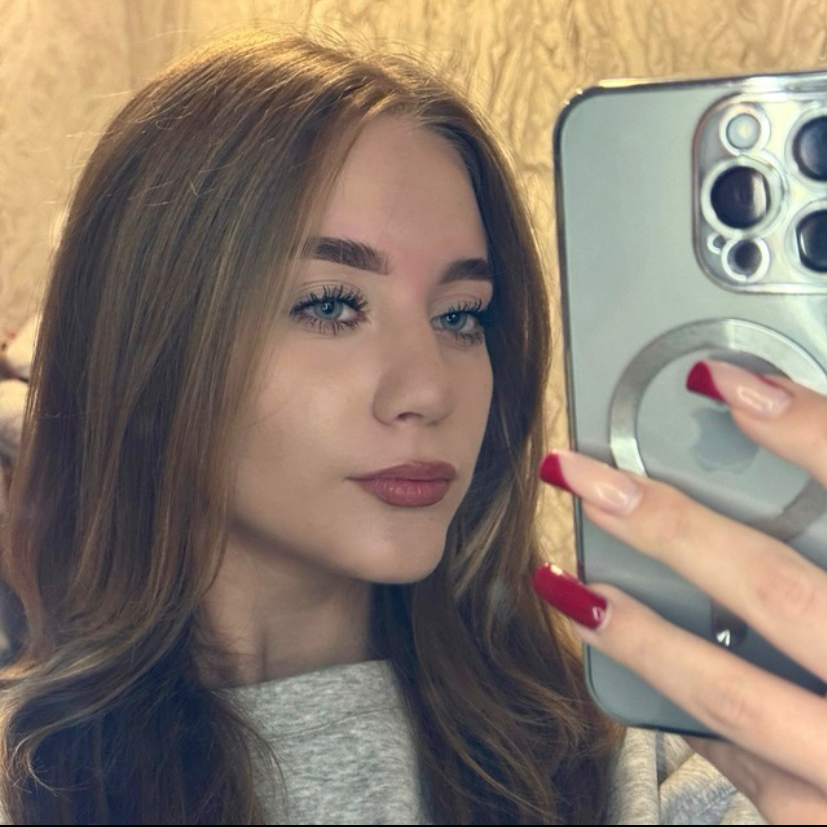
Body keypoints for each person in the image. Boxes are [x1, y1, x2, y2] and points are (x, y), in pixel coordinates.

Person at [0, 28, 795, 825]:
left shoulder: (633, 761)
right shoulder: (26, 782)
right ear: (148, 339)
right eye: (330, 304)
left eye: (460, 315)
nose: (428, 388)